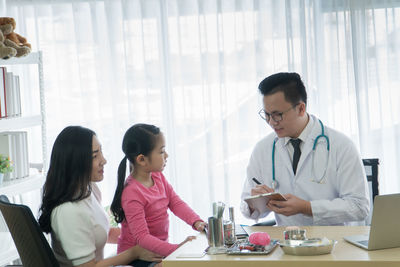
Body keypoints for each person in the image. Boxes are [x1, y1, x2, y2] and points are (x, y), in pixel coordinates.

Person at [240, 72, 370, 226]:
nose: (271, 122)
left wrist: (308, 208)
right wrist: (255, 201)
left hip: (335, 244)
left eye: (277, 115)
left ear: (301, 108)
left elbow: (359, 207)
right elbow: (246, 207)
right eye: (266, 115)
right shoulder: (263, 149)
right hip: (286, 244)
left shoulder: (341, 145)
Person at [38, 126, 163, 267]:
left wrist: (142, 238)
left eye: (101, 152)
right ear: (75, 162)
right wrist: (134, 252)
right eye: (95, 156)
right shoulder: (69, 211)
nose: (103, 160)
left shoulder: (88, 190)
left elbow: (101, 233)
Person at [111, 123, 206, 267]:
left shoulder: (157, 176)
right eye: (161, 152)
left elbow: (175, 202)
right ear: (142, 159)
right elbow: (142, 238)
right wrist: (176, 249)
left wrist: (196, 222)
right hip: (136, 258)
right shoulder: (131, 193)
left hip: (154, 252)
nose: (166, 155)